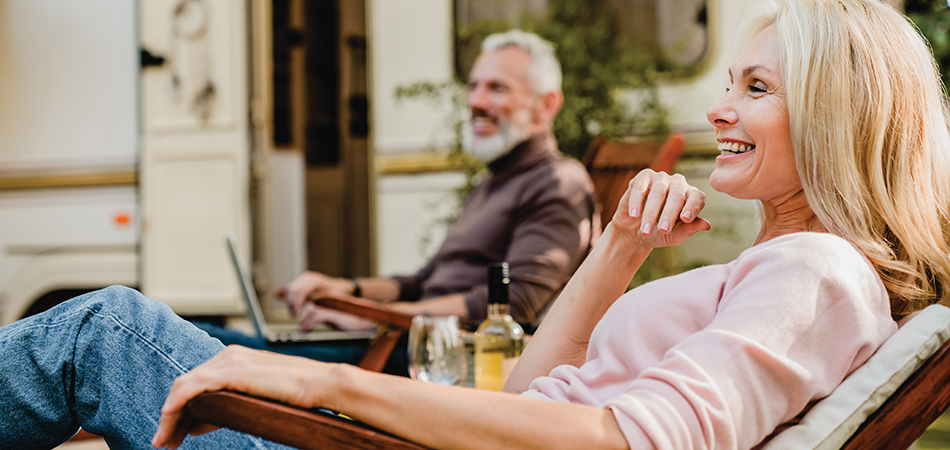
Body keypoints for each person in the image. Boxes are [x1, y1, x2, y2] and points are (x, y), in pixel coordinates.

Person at [3, 0, 950, 448]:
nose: (718, 110)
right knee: (107, 335)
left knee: (102, 331)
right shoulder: (791, 268)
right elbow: (532, 392)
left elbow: (626, 446)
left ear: (836, 116)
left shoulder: (817, 274)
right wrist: (618, 248)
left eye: (756, 88)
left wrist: (310, 379)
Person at [195, 30, 598, 369]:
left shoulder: (558, 184)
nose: (475, 101)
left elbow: (513, 306)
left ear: (547, 105)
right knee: (208, 341)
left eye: (496, 88)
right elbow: (423, 281)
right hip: (403, 342)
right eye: (473, 85)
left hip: (432, 361)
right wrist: (347, 290)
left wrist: (374, 319)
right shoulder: (497, 180)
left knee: (212, 347)